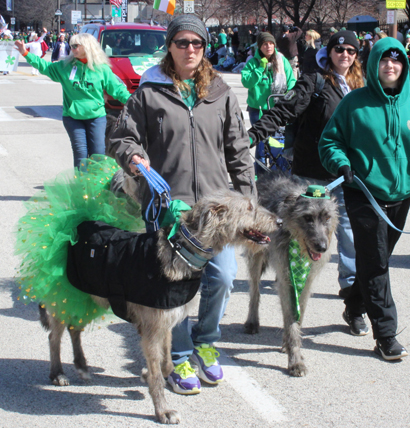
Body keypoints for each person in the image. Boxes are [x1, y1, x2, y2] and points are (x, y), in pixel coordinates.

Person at [108, 14, 256, 395]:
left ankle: (206, 338)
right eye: (182, 42)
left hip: (214, 210)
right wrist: (134, 156)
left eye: (198, 44)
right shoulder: (149, 92)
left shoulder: (221, 92)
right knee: (173, 289)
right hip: (167, 207)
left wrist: (248, 201)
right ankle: (181, 354)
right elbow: (122, 137)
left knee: (222, 277)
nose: (190, 50)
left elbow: (238, 151)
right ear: (170, 46)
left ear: (205, 49)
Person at [319, 37, 410, 361]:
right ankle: (386, 336)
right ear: (375, 63)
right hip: (363, 194)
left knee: (373, 262)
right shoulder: (355, 104)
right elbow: (329, 142)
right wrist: (341, 163)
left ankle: (353, 306)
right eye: (384, 59)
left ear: (404, 66)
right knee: (377, 263)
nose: (390, 65)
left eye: (397, 60)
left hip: (400, 197)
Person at [247, 30, 364, 312]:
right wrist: (253, 135)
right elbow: (285, 110)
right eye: (339, 49)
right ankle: (292, 295)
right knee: (302, 237)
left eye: (350, 50)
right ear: (330, 52)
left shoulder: (362, 87)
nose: (344, 55)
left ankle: (351, 296)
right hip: (311, 177)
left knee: (349, 237)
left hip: (347, 177)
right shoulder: (315, 81)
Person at [15, 33, 131, 168]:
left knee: (98, 154)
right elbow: (44, 66)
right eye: (71, 46)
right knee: (81, 154)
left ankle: (97, 186)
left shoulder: (102, 69)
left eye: (76, 46)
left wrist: (136, 104)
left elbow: (118, 90)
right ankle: (81, 187)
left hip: (96, 117)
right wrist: (25, 53)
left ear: (88, 47)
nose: (72, 49)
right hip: (73, 117)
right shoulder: (66, 66)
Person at [241, 31, 296, 176]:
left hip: (277, 109)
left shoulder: (281, 61)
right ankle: (260, 172)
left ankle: (279, 167)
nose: (269, 46)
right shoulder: (253, 63)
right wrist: (260, 68)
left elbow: (291, 81)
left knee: (278, 140)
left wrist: (288, 97)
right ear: (260, 46)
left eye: (271, 43)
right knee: (260, 141)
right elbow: (247, 82)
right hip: (258, 109)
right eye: (265, 44)